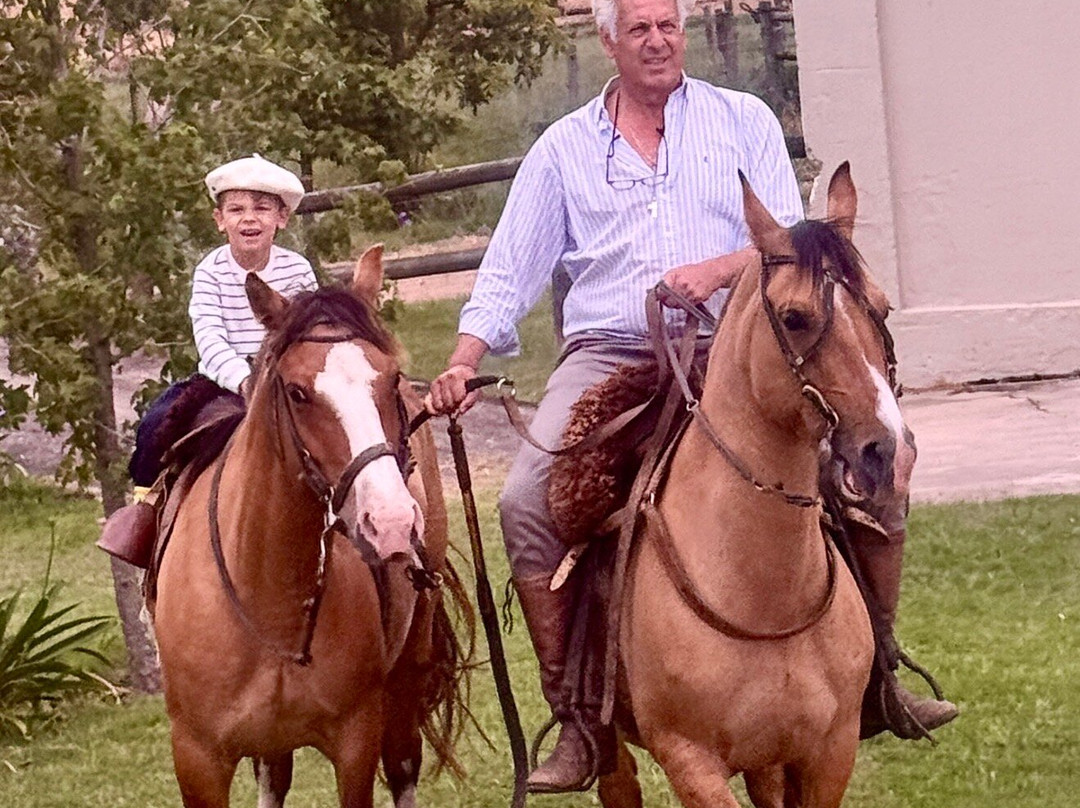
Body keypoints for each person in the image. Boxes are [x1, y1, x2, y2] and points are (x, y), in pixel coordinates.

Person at [425, 0, 955, 793]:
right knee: (528, 499)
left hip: (740, 344)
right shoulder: (563, 149)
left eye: (668, 25)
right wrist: (464, 358)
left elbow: (793, 243)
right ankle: (578, 718)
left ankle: (878, 671)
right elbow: (510, 268)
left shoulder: (742, 119)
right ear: (608, 40)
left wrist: (718, 270)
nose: (658, 40)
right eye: (639, 28)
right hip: (610, 350)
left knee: (877, 467)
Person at [128, 153, 317, 494]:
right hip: (225, 380)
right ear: (220, 220)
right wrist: (245, 381)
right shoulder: (210, 271)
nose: (249, 218)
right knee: (157, 423)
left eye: (262, 208)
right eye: (236, 209)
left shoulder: (297, 269)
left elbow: (309, 334)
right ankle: (147, 506)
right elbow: (210, 340)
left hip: (284, 377)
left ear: (282, 218)